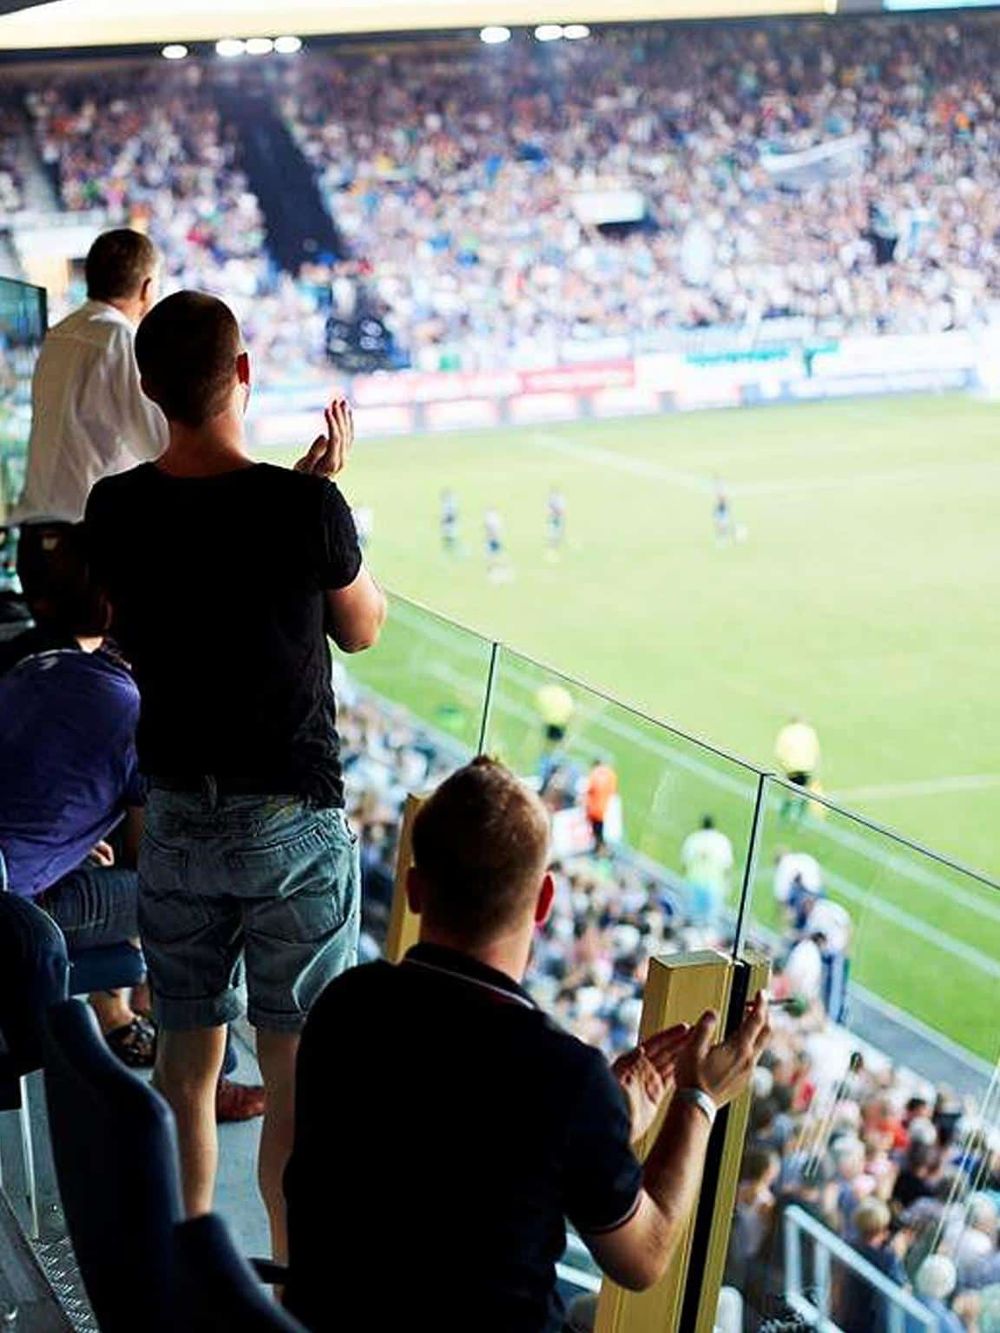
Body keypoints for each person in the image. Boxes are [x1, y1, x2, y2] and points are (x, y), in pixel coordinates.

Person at [85, 291, 386, 1259]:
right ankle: (291, 1290)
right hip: (290, 820)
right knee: (293, 1077)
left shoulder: (115, 506)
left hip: (174, 813)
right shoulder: (303, 509)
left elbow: (158, 597)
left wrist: (303, 504)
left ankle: (185, 1273)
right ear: (244, 374)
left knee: (186, 1064)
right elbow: (362, 624)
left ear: (146, 388)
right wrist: (320, 500)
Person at [284, 757, 770, 1332]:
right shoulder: (565, 1080)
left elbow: (432, 1171)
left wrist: (596, 1128)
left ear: (413, 890)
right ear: (543, 902)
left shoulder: (345, 1005)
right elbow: (643, 1259)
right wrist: (698, 1100)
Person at [0, 523, 152, 1064]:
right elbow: (143, 857)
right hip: (17, 915)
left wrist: (72, 836)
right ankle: (195, 1055)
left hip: (10, 875)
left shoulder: (34, 666)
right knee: (183, 892)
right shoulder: (133, 714)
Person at [14, 229, 167, 527]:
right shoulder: (118, 339)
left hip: (36, 532)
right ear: (147, 289)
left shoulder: (58, 335)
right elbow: (159, 444)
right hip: (82, 534)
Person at [680, 815, 734, 925]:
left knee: (694, 920)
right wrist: (727, 885)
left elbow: (685, 863)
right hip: (714, 885)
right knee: (711, 921)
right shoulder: (722, 841)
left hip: (694, 883)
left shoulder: (693, 839)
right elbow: (727, 867)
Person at [586, 757, 618, 853]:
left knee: (597, 833)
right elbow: (613, 791)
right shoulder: (611, 774)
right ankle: (600, 849)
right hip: (606, 810)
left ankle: (601, 850)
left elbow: (589, 788)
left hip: (595, 810)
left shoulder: (594, 774)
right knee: (602, 832)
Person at [546, 486, 566, 556]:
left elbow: (561, 510)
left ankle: (555, 545)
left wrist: (557, 512)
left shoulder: (560, 499)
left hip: (557, 517)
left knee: (556, 531)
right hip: (554, 517)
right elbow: (550, 508)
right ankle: (553, 545)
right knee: (553, 530)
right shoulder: (551, 499)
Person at [440, 487, 459, 554]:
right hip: (449, 521)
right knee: (448, 534)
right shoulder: (448, 504)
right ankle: (449, 545)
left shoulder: (450, 504)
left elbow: (451, 514)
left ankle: (450, 546)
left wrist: (444, 520)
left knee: (449, 534)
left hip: (449, 521)